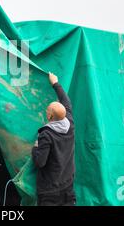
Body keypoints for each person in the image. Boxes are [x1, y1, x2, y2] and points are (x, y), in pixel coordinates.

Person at [31, 72, 76, 206]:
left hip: (50, 192)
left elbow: (40, 162)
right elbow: (66, 101)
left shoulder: (47, 135)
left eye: (47, 111)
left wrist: (35, 148)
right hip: (68, 186)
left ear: (50, 117)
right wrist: (55, 83)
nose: (46, 111)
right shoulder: (70, 122)